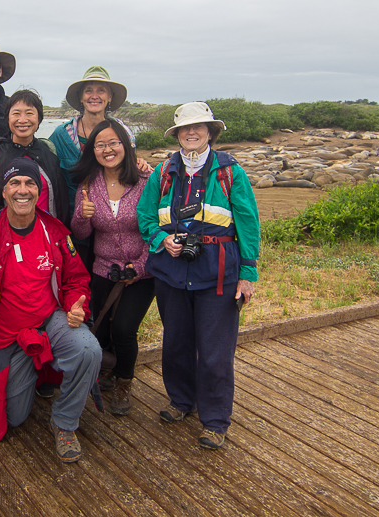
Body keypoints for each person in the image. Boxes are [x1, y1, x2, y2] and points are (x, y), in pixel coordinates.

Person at [0, 157, 101, 463]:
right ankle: (32, 370)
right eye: (14, 183)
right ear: (3, 192)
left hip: (48, 322)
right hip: (7, 337)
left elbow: (76, 280)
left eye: (30, 183)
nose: (23, 189)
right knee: (12, 418)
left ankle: (64, 422)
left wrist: (74, 306)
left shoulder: (54, 232)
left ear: (39, 190)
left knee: (88, 350)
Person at [137, 102, 260, 449]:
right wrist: (162, 239)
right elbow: (144, 215)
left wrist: (248, 272)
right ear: (176, 134)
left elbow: (248, 221)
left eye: (199, 127)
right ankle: (181, 401)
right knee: (176, 342)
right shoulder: (163, 171)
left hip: (218, 273)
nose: (191, 133)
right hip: (172, 272)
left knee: (215, 351)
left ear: (211, 132)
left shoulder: (229, 171)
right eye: (185, 129)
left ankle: (215, 420)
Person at [70, 119, 155, 415]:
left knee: (123, 329)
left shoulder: (146, 182)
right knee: (99, 331)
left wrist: (140, 267)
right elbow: (80, 233)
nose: (107, 150)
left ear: (126, 145)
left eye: (113, 143)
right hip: (102, 270)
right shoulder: (88, 184)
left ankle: (124, 383)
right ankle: (104, 374)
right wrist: (82, 215)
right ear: (93, 150)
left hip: (142, 273)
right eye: (100, 145)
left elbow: (155, 229)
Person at [49, 66, 151, 266]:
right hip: (72, 227)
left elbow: (130, 168)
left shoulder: (123, 134)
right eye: (88, 90)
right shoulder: (61, 135)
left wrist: (141, 163)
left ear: (110, 97)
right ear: (80, 97)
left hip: (113, 230)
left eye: (101, 90)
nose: (94, 96)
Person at [0, 89, 69, 227]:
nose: (22, 120)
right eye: (16, 113)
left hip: (47, 233)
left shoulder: (49, 148)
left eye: (29, 113)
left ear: (39, 119)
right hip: (8, 236)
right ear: (7, 118)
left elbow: (59, 196)